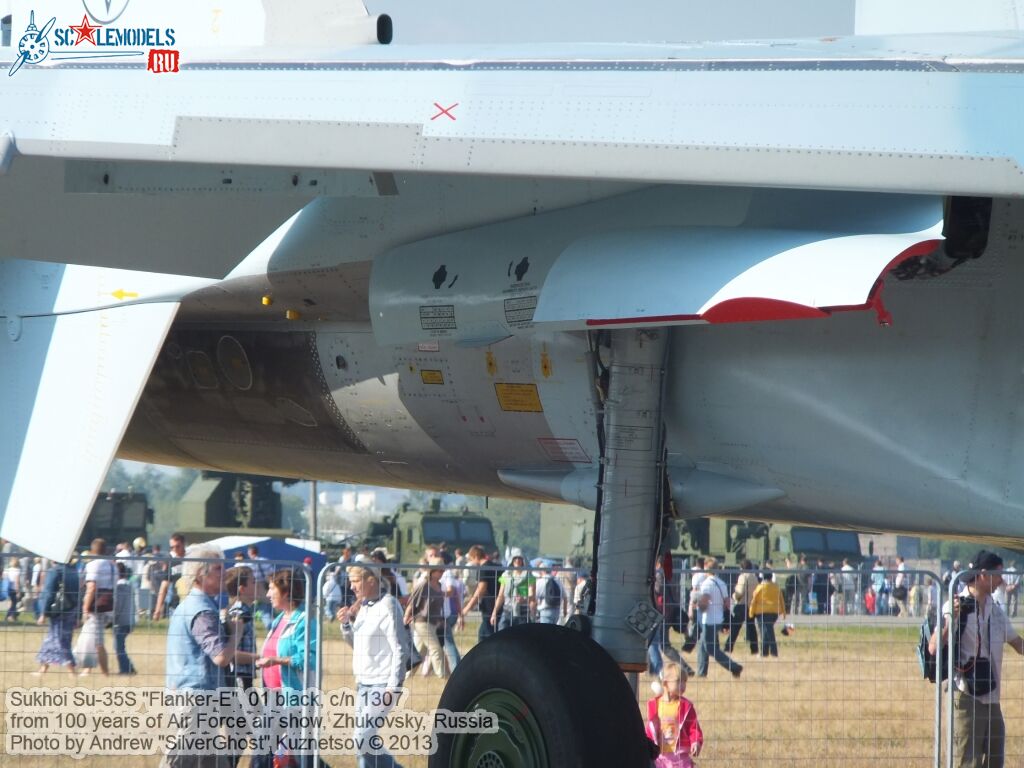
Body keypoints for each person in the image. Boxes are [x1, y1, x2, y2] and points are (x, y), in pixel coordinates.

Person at [929, 550, 1024, 768]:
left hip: (992, 698)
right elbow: (934, 646)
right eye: (998, 575)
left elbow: (1018, 644)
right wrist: (950, 620)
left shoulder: (996, 610)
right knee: (968, 762)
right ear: (983, 574)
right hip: (966, 696)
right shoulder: (954, 605)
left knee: (995, 761)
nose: (1002, 581)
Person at [163, 544, 240, 768]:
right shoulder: (202, 611)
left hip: (193, 694)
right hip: (198, 698)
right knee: (178, 761)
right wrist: (236, 633)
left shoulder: (189, 605)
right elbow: (221, 658)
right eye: (218, 569)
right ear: (200, 575)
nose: (224, 573)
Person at [339, 564, 406, 768]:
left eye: (355, 581)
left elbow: (399, 649)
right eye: (350, 582)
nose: (351, 587)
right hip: (363, 684)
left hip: (382, 684)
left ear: (371, 580)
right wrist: (345, 625)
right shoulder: (365, 607)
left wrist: (392, 687)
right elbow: (356, 644)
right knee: (363, 748)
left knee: (361, 738)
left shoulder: (388, 605)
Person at [254, 568, 316, 768]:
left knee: (273, 752)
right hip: (274, 696)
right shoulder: (280, 619)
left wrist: (276, 661)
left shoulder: (304, 621)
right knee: (291, 755)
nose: (267, 594)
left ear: (287, 592)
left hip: (294, 697)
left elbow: (309, 659)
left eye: (272, 588)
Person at [645, 661, 703, 768]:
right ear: (665, 683)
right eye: (679, 682)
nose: (683, 685)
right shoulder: (655, 705)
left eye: (685, 682)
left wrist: (696, 741)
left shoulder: (686, 706)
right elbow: (650, 730)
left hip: (680, 757)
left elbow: (693, 727)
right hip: (660, 757)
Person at [693, 558, 742, 679]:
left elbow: (704, 606)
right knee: (702, 645)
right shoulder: (722, 583)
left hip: (708, 620)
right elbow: (726, 602)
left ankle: (734, 667)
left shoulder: (706, 584)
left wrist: (696, 603)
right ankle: (701, 672)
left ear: (706, 567)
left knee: (711, 649)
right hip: (718, 619)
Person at [34, 559, 80, 678]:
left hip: (59, 610)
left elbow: (49, 593)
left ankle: (71, 670)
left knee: (59, 640)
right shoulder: (73, 571)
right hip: (71, 609)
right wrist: (78, 615)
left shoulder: (55, 571)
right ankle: (43, 669)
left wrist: (43, 612)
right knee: (52, 639)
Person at [404, 559, 447, 678]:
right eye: (440, 570)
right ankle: (442, 676)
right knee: (436, 648)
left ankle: (406, 676)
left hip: (433, 623)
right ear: (432, 571)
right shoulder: (423, 584)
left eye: (443, 570)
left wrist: (441, 620)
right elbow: (412, 601)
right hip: (421, 621)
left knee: (419, 653)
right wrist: (406, 616)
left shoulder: (439, 585)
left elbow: (439, 606)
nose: (442, 572)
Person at [81, 538, 117, 676]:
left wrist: (85, 607)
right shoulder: (112, 565)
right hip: (110, 605)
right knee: (89, 637)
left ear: (92, 550)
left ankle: (105, 672)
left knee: (97, 641)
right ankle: (87, 668)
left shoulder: (93, 565)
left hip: (97, 607)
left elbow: (92, 587)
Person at [224, 566, 256, 691]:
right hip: (239, 676)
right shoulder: (239, 612)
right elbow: (231, 652)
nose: (257, 585)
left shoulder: (245, 610)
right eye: (253, 582)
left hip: (244, 675)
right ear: (242, 589)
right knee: (250, 709)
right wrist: (260, 657)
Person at [461, 545, 499, 641]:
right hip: (498, 604)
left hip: (489, 606)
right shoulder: (497, 566)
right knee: (484, 632)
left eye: (471, 559)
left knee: (485, 635)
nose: (471, 562)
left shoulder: (483, 568)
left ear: (476, 556)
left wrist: (467, 608)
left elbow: (481, 589)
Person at [491, 552, 536, 631]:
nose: (517, 560)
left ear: (523, 561)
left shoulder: (529, 576)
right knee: (502, 636)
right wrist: (494, 613)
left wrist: (524, 599)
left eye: (520, 558)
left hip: (522, 612)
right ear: (511, 560)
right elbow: (501, 596)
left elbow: (532, 595)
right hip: (507, 611)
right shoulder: (506, 575)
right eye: (515, 558)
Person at [749, 570, 787, 657]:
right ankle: (764, 653)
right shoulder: (776, 587)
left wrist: (751, 612)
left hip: (762, 612)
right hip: (774, 612)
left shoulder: (760, 587)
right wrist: (783, 612)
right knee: (765, 632)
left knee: (767, 632)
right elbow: (781, 599)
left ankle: (774, 652)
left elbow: (754, 600)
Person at [726, 559, 758, 655]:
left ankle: (728, 647)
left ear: (742, 568)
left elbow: (739, 591)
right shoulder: (754, 577)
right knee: (751, 628)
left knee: (735, 628)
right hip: (751, 605)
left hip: (742, 605)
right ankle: (754, 649)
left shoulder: (743, 577)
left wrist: (733, 596)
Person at [153, 533, 186, 620]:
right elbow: (164, 587)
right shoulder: (171, 562)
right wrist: (158, 609)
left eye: (177, 546)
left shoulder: (192, 560)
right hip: (175, 605)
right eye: (172, 547)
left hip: (191, 603)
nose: (175, 549)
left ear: (183, 544)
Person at [112, 562, 136, 675]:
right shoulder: (130, 585)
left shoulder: (119, 587)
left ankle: (126, 669)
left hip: (120, 621)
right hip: (129, 620)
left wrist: (112, 619)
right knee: (120, 646)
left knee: (118, 647)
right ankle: (128, 667)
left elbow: (117, 605)